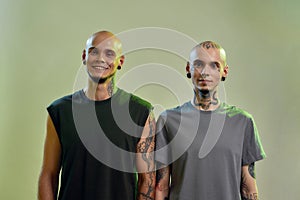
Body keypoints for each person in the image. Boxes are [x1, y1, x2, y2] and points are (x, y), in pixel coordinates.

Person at [38, 31, 155, 200]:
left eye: (109, 53)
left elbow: (147, 181)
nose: (100, 58)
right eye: (94, 51)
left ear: (120, 62)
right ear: (84, 56)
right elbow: (49, 175)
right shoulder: (60, 112)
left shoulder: (141, 112)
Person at [155, 41, 266, 200]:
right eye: (199, 64)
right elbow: (161, 187)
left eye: (214, 65)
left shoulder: (243, 122)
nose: (205, 72)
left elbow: (249, 186)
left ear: (224, 72)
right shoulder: (168, 120)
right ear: (188, 68)